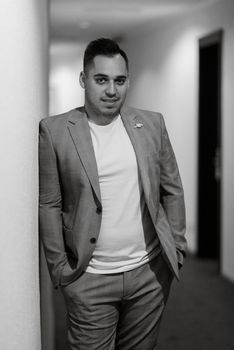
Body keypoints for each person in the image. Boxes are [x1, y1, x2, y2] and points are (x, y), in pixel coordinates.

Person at [39, 38, 187, 350]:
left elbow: (171, 189)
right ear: (84, 79)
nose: (111, 90)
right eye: (101, 79)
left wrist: (177, 248)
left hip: (148, 275)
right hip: (89, 278)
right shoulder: (55, 131)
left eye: (119, 81)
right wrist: (59, 269)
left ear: (127, 81)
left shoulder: (150, 124)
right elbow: (49, 204)